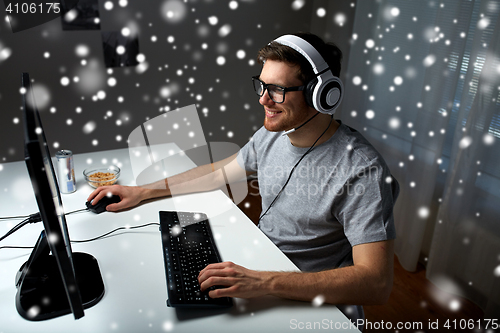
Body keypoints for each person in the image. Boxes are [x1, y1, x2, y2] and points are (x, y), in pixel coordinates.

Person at [88, 32, 398, 324]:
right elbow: (219, 172)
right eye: (261, 86)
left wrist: (264, 281)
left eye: (277, 90)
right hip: (262, 271)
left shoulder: (362, 170)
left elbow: (376, 283)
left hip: (308, 301)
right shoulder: (273, 134)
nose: (263, 100)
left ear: (322, 95)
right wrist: (142, 191)